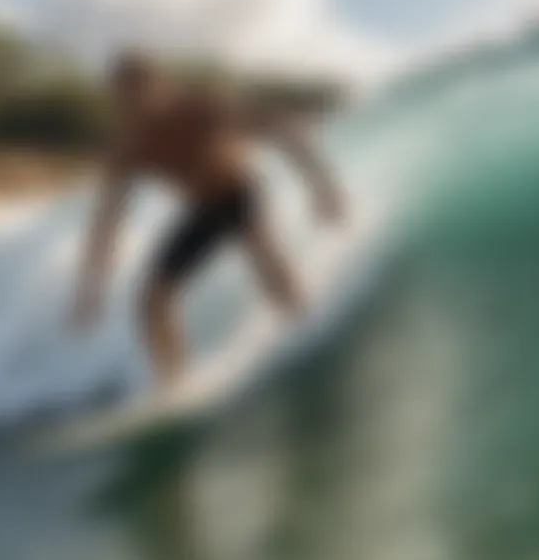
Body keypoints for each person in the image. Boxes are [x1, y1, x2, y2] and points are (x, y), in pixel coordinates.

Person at [70, 50, 347, 388]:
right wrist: (91, 287)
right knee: (151, 299)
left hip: (240, 190)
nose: (137, 105)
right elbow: (105, 222)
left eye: (142, 91)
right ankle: (176, 382)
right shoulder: (129, 149)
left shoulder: (204, 108)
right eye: (125, 97)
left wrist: (323, 188)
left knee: (264, 255)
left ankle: (311, 335)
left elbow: (281, 129)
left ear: (162, 86)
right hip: (204, 211)